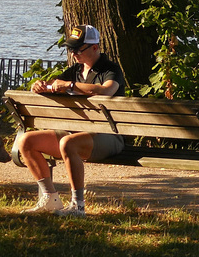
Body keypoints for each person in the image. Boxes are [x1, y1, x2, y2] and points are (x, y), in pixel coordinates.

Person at [18, 24, 126, 217]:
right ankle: (50, 198)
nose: (74, 53)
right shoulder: (74, 70)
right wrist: (41, 85)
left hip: (109, 137)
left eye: (78, 49)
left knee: (68, 143)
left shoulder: (111, 69)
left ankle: (78, 206)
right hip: (76, 133)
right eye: (71, 49)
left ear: (95, 47)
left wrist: (70, 85)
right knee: (26, 141)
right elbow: (53, 85)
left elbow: (106, 90)